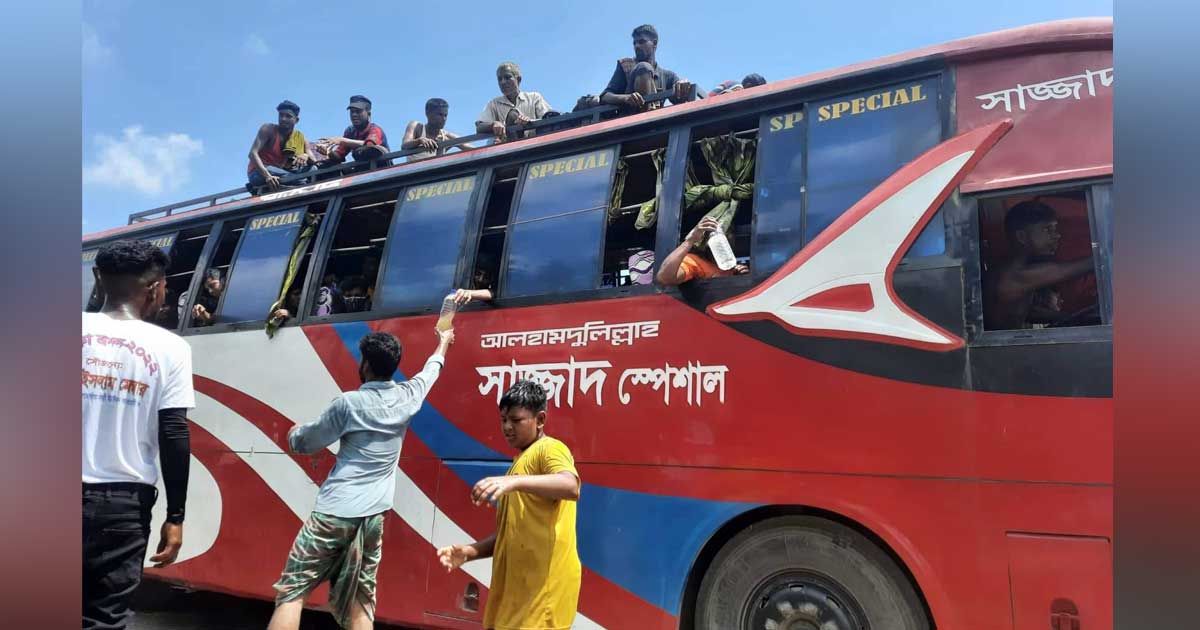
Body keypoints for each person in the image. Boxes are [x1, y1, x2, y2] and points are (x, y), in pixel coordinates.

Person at [267, 328, 455, 630]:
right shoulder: (409, 396)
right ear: (393, 365)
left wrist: (293, 433)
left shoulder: (348, 403)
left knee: (293, 591)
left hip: (334, 512)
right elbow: (431, 370)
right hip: (373, 516)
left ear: (365, 364)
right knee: (363, 597)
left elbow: (306, 442)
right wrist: (444, 342)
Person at [83, 240, 195, 629]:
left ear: (98, 278)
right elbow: (174, 433)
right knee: (104, 618)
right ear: (157, 288)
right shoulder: (171, 348)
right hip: (123, 510)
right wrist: (176, 516)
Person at [436, 380, 581, 630]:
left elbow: (571, 486)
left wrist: (513, 482)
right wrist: (471, 552)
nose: (507, 427)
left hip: (541, 596)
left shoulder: (550, 448)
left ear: (541, 419)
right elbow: (513, 533)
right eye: (503, 419)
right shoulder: (522, 461)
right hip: (518, 597)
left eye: (516, 420)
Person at [984, 200, 1095, 330]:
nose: (1057, 235)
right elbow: (1078, 267)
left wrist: (1065, 317)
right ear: (1022, 237)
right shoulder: (1017, 275)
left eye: (1055, 229)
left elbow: (1027, 312)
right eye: (1047, 229)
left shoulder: (1013, 270)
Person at [600, 25, 694, 112]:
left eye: (641, 42)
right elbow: (605, 96)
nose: (636, 46)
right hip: (629, 119)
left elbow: (681, 98)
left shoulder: (668, 76)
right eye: (634, 43)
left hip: (655, 123)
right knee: (643, 67)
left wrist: (683, 84)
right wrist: (626, 98)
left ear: (655, 43)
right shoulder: (626, 66)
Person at [656, 216, 749, 286]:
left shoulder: (732, 266)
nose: (725, 240)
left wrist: (741, 278)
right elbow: (665, 278)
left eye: (729, 235)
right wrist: (690, 240)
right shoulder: (695, 262)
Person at [248, 100, 318, 192]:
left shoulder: (300, 137)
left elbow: (314, 161)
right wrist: (268, 176)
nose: (283, 119)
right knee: (300, 181)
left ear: (296, 120)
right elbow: (252, 153)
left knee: (313, 169)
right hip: (260, 172)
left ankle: (289, 184)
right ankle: (298, 184)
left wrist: (306, 156)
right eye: (281, 115)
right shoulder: (268, 129)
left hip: (281, 171)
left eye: (288, 116)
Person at [475, 62, 553, 142]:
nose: (503, 82)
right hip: (508, 150)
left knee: (513, 115)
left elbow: (550, 119)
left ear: (518, 79)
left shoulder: (534, 97)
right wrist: (493, 124)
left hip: (535, 147)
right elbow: (479, 127)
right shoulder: (494, 104)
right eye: (499, 79)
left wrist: (529, 122)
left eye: (507, 77)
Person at [318, 95, 391, 168]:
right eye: (352, 112)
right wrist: (328, 151)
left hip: (382, 170)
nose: (354, 115)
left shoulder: (375, 129)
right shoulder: (350, 131)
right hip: (362, 171)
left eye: (358, 111)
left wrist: (342, 140)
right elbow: (339, 156)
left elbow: (369, 145)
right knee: (326, 166)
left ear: (368, 114)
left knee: (364, 151)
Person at [402, 98, 467, 162]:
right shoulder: (417, 127)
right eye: (440, 115)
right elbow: (404, 145)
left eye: (445, 115)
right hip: (415, 171)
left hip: (435, 171)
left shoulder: (446, 136)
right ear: (428, 114)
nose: (444, 119)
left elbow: (471, 149)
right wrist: (420, 141)